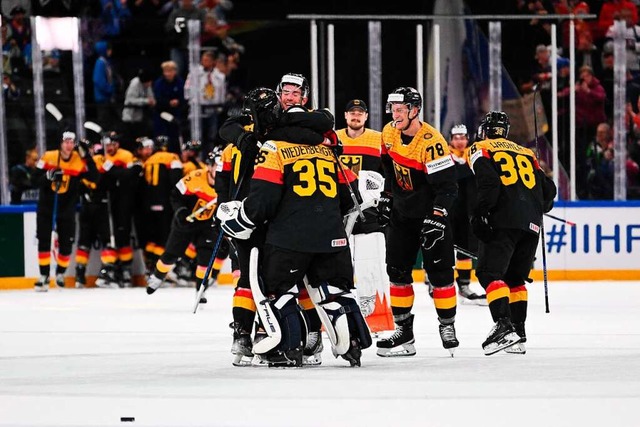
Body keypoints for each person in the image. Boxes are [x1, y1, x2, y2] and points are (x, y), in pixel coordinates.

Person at [216, 100, 372, 368]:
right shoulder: (326, 150)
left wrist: (240, 219)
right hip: (332, 236)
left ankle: (287, 349)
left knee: (279, 291)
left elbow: (263, 200)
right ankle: (354, 344)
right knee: (338, 290)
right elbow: (352, 196)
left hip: (289, 237)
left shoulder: (275, 148)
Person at [376, 87, 459, 357]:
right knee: (397, 273)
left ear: (414, 110)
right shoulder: (388, 132)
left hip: (430, 216)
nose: (395, 114)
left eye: (400, 109)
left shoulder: (431, 141)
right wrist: (388, 196)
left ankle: (447, 326)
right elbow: (387, 167)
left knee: (441, 275)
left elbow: (448, 188)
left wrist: (436, 216)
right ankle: (404, 333)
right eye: (393, 109)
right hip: (402, 215)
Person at [468, 111, 556, 355]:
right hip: (531, 225)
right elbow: (549, 191)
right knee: (515, 279)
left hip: (502, 220)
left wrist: (481, 213)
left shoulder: (480, 147)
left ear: (486, 130)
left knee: (489, 273)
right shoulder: (526, 152)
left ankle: (503, 327)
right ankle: (519, 333)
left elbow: (489, 183)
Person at [335, 99, 394, 332]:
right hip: (338, 211)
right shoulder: (333, 138)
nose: (356, 116)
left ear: (366, 116)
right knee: (335, 267)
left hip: (369, 210)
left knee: (371, 265)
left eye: (360, 113)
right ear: (345, 115)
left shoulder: (378, 138)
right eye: (352, 113)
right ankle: (335, 318)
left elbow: (388, 172)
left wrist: (386, 198)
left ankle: (376, 318)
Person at [146, 150, 228, 298]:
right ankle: (157, 276)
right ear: (209, 167)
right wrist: (181, 211)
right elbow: (175, 195)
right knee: (171, 255)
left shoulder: (228, 185)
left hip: (208, 224)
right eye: (217, 166)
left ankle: (200, 289)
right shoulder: (195, 177)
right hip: (186, 221)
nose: (221, 170)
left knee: (206, 257)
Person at [34, 132, 97, 291]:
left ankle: (60, 273)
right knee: (44, 240)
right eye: (66, 141)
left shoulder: (78, 160)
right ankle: (44, 275)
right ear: (60, 143)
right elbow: (33, 178)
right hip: (47, 207)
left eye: (72, 142)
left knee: (66, 244)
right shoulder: (49, 156)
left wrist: (87, 157)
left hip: (67, 208)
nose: (69, 145)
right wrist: (47, 176)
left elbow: (95, 177)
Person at [444, 124, 486, 304]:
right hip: (449, 206)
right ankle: (435, 282)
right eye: (456, 138)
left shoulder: (474, 154)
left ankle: (464, 284)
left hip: (468, 208)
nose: (460, 141)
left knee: (466, 248)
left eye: (463, 137)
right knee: (443, 246)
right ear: (451, 140)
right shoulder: (444, 155)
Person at [95, 132, 136, 288]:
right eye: (106, 145)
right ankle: (110, 269)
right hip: (106, 201)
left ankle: (125, 270)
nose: (109, 148)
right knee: (108, 236)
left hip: (123, 200)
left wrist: (111, 169)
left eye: (111, 144)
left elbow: (129, 175)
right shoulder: (101, 158)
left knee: (122, 235)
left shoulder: (125, 155)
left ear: (117, 144)